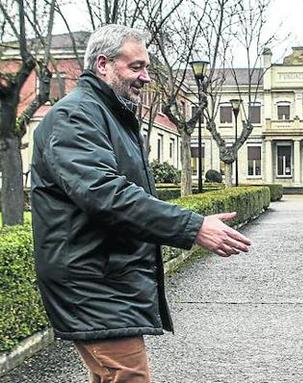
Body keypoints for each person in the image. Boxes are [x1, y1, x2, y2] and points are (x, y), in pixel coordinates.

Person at [30, 24, 251, 383]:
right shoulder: (74, 116)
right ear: (103, 64)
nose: (146, 77)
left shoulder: (109, 116)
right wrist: (192, 226)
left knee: (111, 376)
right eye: (136, 67)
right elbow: (106, 194)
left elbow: (122, 196)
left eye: (145, 68)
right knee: (129, 376)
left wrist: (189, 222)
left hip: (104, 273)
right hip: (93, 279)